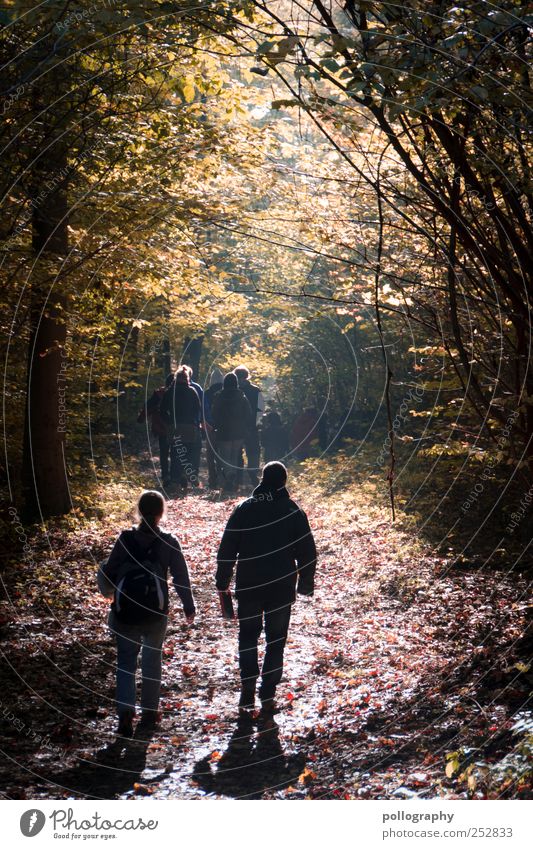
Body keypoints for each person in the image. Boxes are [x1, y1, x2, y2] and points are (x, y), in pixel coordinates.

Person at [216, 461, 317, 713]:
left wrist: (222, 581)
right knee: (276, 639)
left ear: (262, 479)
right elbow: (307, 551)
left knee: (248, 636)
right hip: (281, 586)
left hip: (249, 584)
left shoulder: (244, 509)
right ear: (284, 482)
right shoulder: (293, 511)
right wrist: (305, 583)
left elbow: (228, 548)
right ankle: (268, 692)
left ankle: (248, 687)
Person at [100, 490, 195, 737]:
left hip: (126, 612)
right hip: (156, 612)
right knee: (153, 662)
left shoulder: (124, 539)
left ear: (139, 511)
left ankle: (125, 714)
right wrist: (188, 605)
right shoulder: (169, 542)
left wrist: (109, 584)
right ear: (162, 512)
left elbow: (110, 571)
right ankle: (150, 713)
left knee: (126, 663)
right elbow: (181, 578)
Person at [160, 365, 201, 492]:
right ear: (187, 378)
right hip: (189, 428)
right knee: (188, 453)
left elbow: (162, 410)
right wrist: (192, 421)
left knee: (175, 454)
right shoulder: (192, 391)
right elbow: (197, 409)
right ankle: (184, 474)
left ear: (176, 378)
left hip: (175, 428)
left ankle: (175, 481)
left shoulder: (169, 392)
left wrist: (169, 422)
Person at [212, 372, 253, 492]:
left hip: (224, 431)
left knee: (225, 456)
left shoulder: (218, 396)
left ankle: (229, 476)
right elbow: (249, 413)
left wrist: (218, 424)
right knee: (235, 455)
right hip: (239, 432)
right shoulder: (242, 396)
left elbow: (214, 413)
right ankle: (232, 476)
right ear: (236, 383)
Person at [137, 374, 174, 485]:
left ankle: (166, 476)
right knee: (175, 453)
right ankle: (174, 475)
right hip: (176, 429)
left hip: (162, 428)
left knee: (164, 452)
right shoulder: (180, 393)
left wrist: (141, 418)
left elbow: (147, 406)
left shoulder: (159, 394)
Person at [234, 366, 264, 486]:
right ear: (247, 376)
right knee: (253, 452)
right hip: (252, 426)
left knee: (237, 452)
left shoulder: (233, 390)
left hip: (237, 427)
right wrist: (257, 423)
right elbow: (261, 409)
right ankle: (253, 474)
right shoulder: (256, 390)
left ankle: (238, 478)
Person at [202, 368, 224, 488]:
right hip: (223, 429)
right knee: (221, 454)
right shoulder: (225, 391)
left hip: (210, 428)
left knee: (210, 454)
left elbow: (204, 411)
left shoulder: (206, 393)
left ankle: (212, 480)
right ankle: (221, 477)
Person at [183, 366, 204, 487]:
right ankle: (193, 476)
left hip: (177, 426)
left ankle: (182, 474)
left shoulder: (173, 388)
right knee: (195, 451)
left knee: (181, 451)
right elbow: (201, 407)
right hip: (194, 425)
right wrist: (201, 421)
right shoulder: (196, 388)